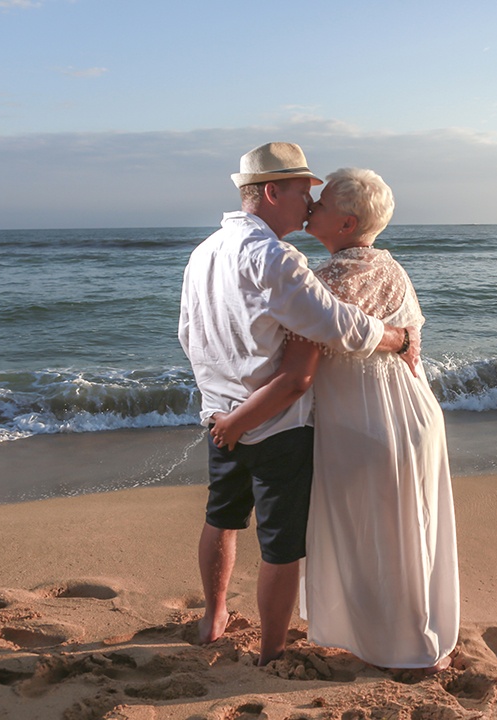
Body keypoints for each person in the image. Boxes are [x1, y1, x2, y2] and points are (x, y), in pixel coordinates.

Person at [178, 143, 419, 666]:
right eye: (302, 193)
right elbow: (334, 326)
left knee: (221, 517)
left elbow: (188, 334)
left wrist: (222, 404)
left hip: (222, 417)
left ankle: (213, 617)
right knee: (281, 545)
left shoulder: (204, 251)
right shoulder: (275, 257)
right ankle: (271, 651)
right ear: (271, 191)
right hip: (277, 421)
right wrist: (396, 339)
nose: (309, 206)